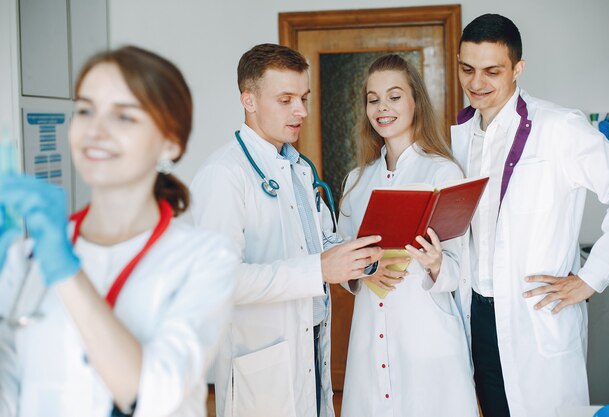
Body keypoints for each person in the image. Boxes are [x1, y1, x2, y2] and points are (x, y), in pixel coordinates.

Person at [0, 46, 236, 417]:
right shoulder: (24, 257)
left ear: (170, 142)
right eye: (85, 110)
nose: (95, 130)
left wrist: (64, 269)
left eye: (124, 117)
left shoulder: (205, 258)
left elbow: (151, 395)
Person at [190, 43, 383, 417]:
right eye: (286, 99)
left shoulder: (298, 168)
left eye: (304, 98)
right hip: (264, 355)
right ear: (249, 100)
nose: (302, 111)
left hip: (309, 339)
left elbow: (319, 242)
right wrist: (319, 271)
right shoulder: (224, 175)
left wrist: (360, 258)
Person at [452, 14, 609, 417]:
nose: (476, 83)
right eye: (467, 69)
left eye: (492, 71)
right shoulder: (461, 135)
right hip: (478, 314)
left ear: (518, 68)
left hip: (536, 317)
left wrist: (592, 277)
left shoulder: (559, 127)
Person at [337, 54, 478, 417]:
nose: (382, 107)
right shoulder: (356, 181)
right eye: (373, 98)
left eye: (394, 96)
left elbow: (463, 267)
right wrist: (365, 270)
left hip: (426, 335)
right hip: (370, 335)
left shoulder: (443, 173)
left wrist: (435, 263)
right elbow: (338, 258)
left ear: (416, 100)